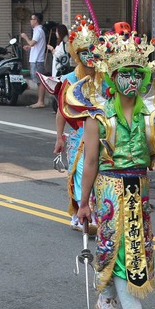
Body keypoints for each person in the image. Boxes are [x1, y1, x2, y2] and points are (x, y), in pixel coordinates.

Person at [66, 23, 155, 309]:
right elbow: (91, 162)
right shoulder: (99, 117)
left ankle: (107, 296)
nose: (131, 80)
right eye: (125, 74)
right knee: (118, 248)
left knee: (136, 247)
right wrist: (82, 203)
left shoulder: (152, 116)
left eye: (137, 74)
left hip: (139, 188)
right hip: (109, 187)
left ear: (144, 77)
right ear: (112, 77)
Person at [53, 16, 101, 231]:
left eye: (92, 51)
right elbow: (62, 112)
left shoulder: (106, 77)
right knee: (81, 172)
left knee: (100, 173)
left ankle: (100, 213)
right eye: (84, 52)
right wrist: (59, 137)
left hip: (102, 133)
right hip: (77, 134)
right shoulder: (70, 80)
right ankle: (81, 212)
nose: (89, 56)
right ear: (76, 55)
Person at [21, 12, 48, 108]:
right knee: (38, 81)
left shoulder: (38, 31)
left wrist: (25, 38)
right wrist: (29, 47)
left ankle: (40, 101)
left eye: (32, 19)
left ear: (36, 20)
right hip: (36, 59)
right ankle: (39, 101)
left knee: (40, 82)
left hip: (37, 60)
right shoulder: (38, 30)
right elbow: (34, 45)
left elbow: (32, 43)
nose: (30, 21)